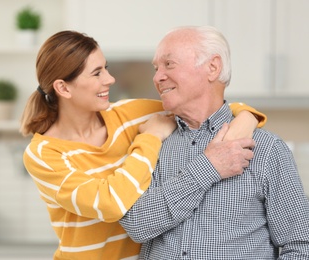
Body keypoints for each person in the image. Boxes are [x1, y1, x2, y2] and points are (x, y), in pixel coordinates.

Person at [19, 30, 266, 259]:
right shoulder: (43, 154)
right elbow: (111, 203)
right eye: (97, 73)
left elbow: (199, 105)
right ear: (63, 87)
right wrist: (149, 139)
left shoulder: (129, 113)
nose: (110, 79)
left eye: (105, 68)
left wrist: (248, 116)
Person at [119, 25, 309, 259]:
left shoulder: (267, 149)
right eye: (156, 67)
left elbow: (300, 246)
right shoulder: (151, 142)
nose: (157, 77)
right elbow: (137, 225)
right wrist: (208, 167)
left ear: (212, 67)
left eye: (169, 64)